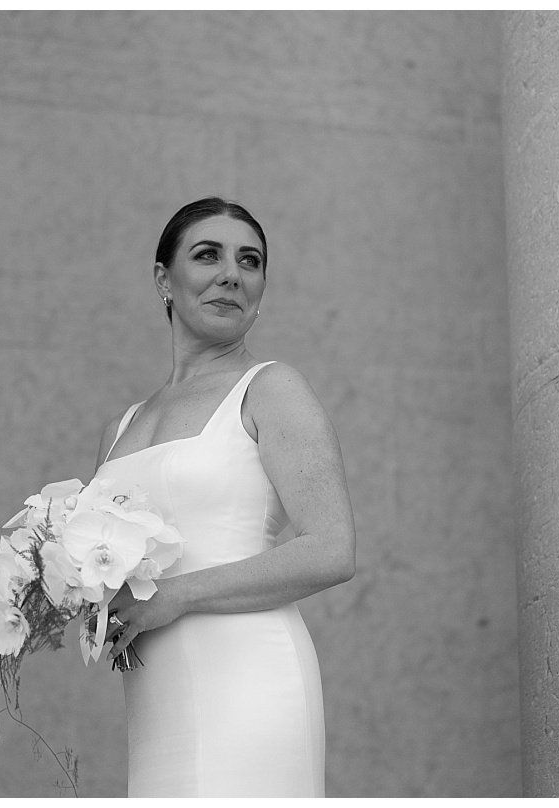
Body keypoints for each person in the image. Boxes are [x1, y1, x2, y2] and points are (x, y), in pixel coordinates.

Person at [92, 197, 356, 797]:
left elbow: (332, 550)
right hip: (156, 692)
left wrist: (179, 595)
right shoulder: (121, 426)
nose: (231, 273)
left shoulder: (271, 389)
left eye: (250, 261)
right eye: (207, 255)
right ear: (164, 278)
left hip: (250, 675)